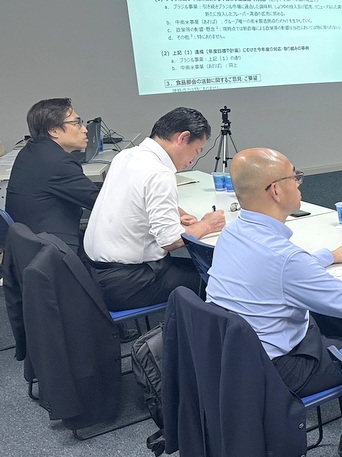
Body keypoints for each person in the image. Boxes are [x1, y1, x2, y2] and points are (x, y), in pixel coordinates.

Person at [205, 148, 342, 431]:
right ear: (276, 191)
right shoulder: (287, 259)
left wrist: (326, 256)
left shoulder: (232, 232)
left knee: (329, 321)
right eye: (295, 176)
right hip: (278, 370)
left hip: (232, 358)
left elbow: (274, 272)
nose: (299, 182)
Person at [83, 107, 225, 310]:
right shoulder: (159, 173)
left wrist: (176, 212)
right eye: (196, 151)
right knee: (220, 282)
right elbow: (171, 240)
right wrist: (207, 225)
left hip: (95, 273)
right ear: (183, 138)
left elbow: (134, 198)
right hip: (131, 282)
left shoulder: (127, 155)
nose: (192, 161)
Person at [5, 98, 100, 252]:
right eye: (76, 123)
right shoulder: (59, 162)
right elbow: (98, 202)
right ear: (54, 130)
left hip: (28, 245)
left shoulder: (31, 150)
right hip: (52, 252)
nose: (84, 129)